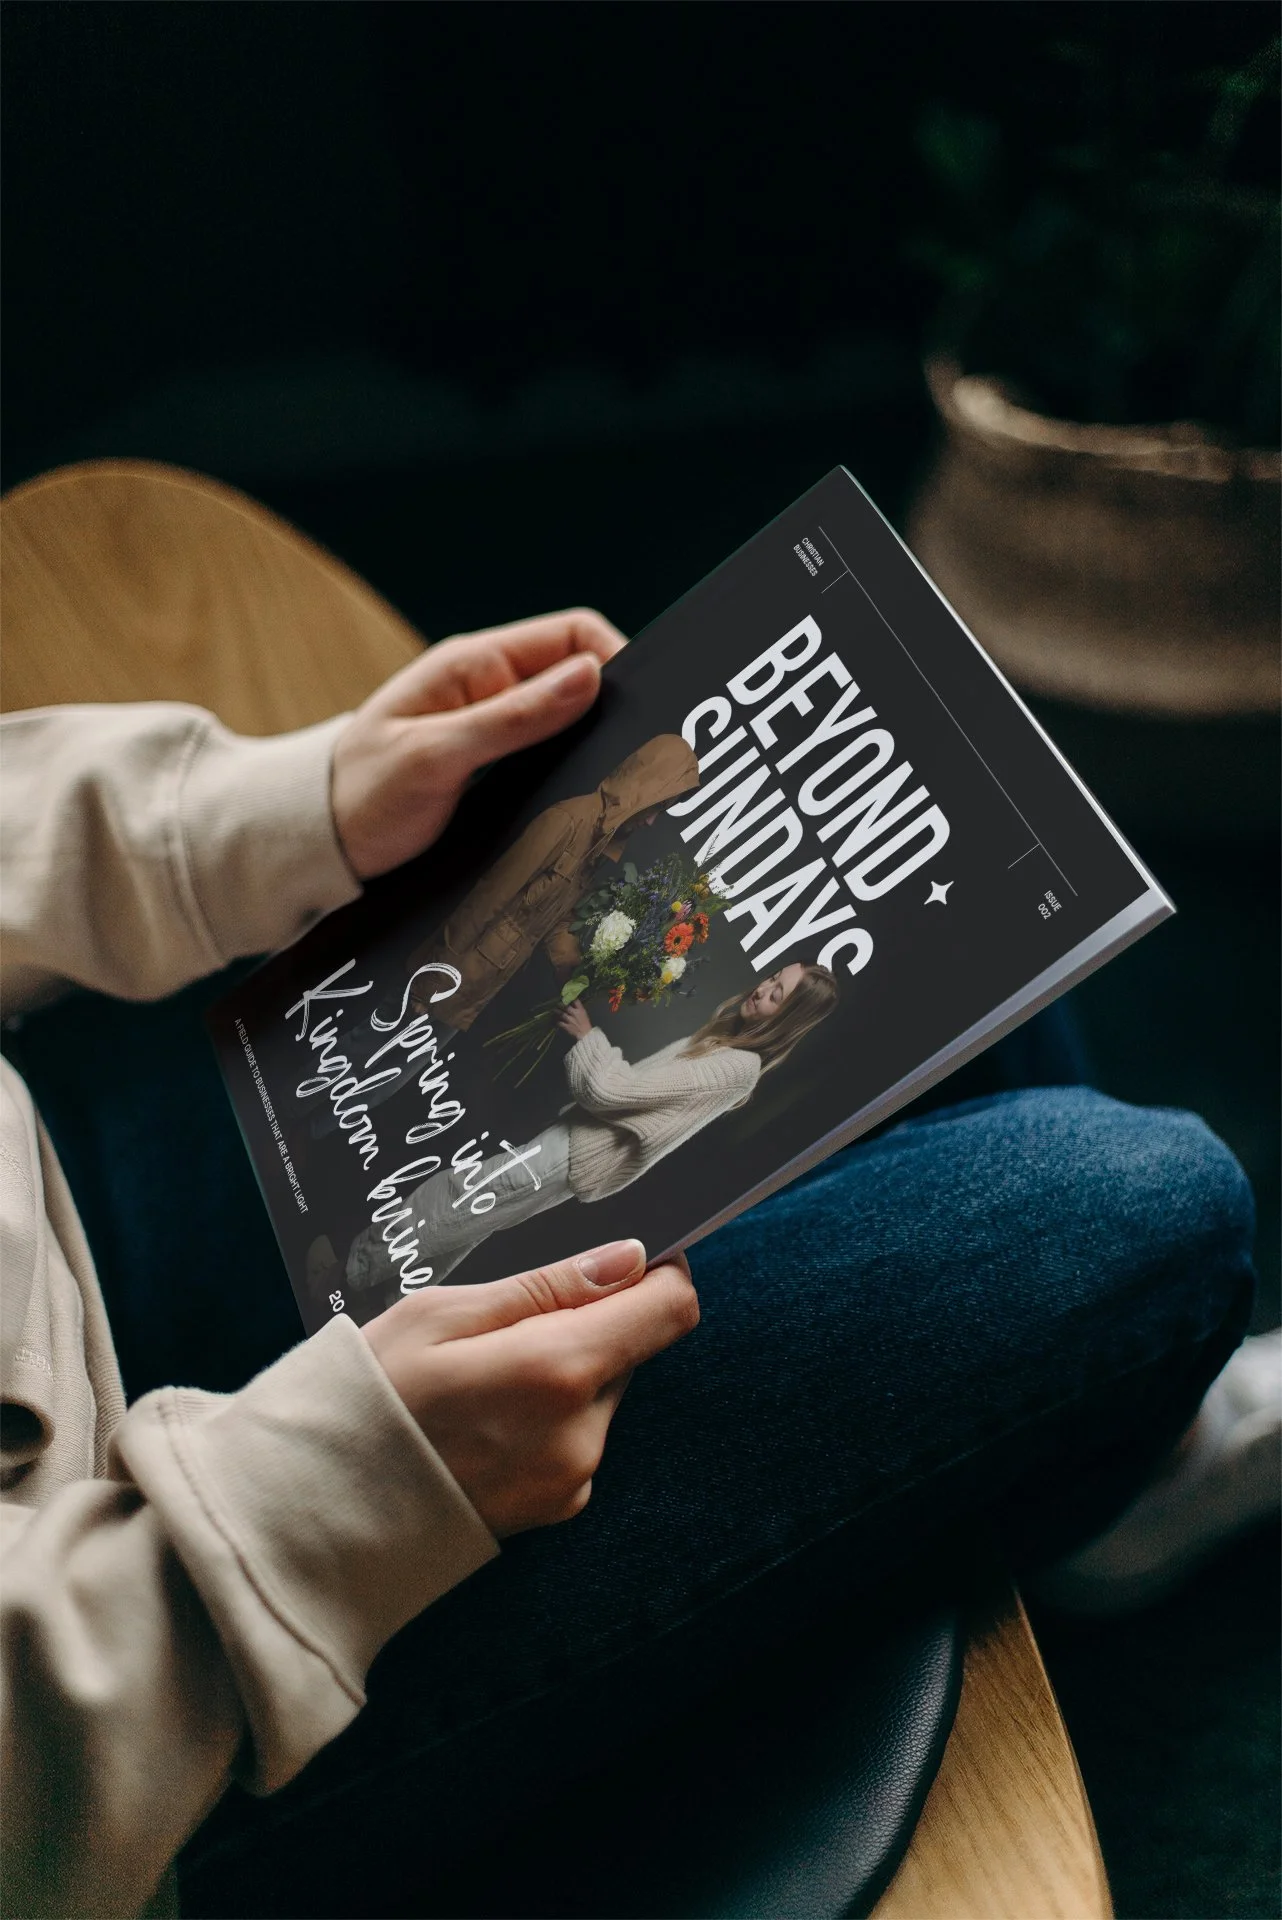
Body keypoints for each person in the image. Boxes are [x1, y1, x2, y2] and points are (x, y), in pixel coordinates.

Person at [0, 610, 1275, 1920]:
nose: (766, 993)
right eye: (767, 992)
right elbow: (616, 1091)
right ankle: (1114, 1475)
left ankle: (1098, 1439)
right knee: (1127, 1203)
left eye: (781, 996)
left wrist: (260, 813)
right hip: (141, 1700)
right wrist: (308, 1511)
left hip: (51, 1148)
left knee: (978, 874)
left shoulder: (728, 1044)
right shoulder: (718, 1051)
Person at [344, 964, 839, 1303]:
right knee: (471, 1221)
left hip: (573, 1153)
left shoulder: (736, 1066)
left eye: (778, 995)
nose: (763, 989)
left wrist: (587, 1036)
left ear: (789, 1021)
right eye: (774, 977)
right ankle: (386, 1304)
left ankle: (355, 1270)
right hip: (575, 1152)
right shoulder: (727, 1044)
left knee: (458, 1196)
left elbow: (610, 1090)